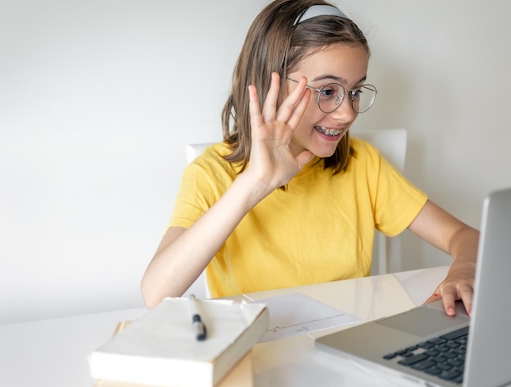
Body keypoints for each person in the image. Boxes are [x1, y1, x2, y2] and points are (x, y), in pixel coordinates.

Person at [141, 0, 479, 316]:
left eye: (356, 91)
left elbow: (465, 237)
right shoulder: (212, 174)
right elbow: (156, 293)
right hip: (259, 356)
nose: (347, 113)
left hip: (347, 346)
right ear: (270, 84)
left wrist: (463, 268)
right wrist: (256, 183)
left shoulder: (363, 165)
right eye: (328, 91)